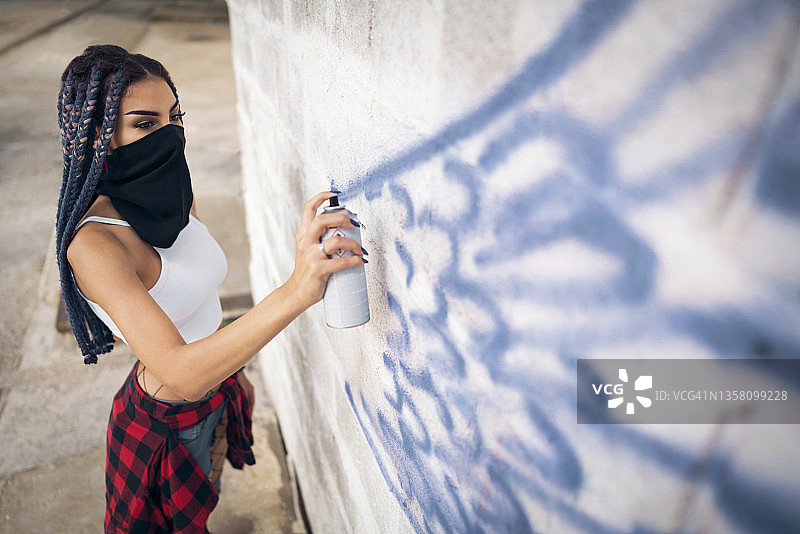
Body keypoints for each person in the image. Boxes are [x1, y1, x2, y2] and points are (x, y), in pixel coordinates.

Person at [55, 45, 366, 533]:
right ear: (97, 134)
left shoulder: (169, 190)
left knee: (204, 510)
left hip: (215, 392)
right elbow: (180, 373)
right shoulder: (94, 243)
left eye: (174, 118)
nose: (170, 135)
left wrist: (234, 374)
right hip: (163, 425)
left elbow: (199, 297)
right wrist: (297, 290)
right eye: (144, 123)